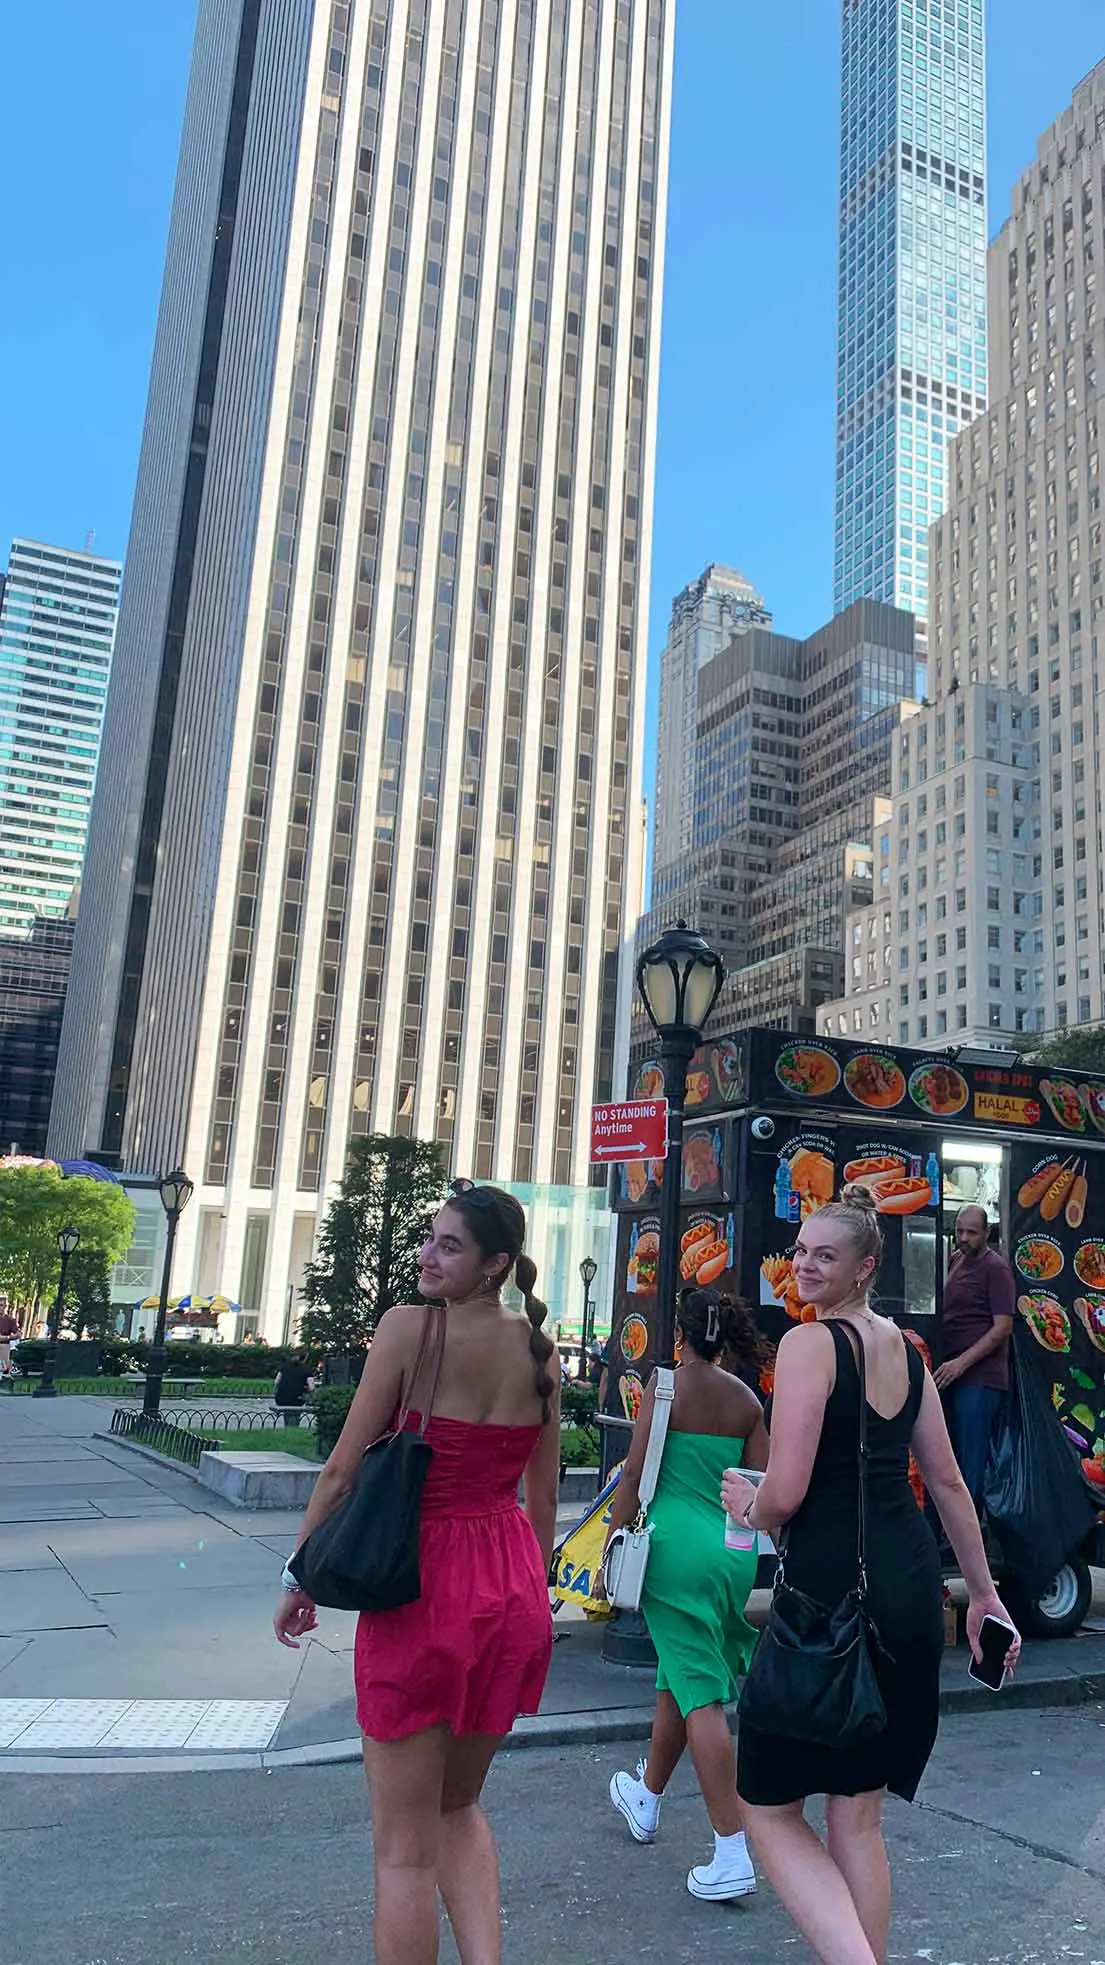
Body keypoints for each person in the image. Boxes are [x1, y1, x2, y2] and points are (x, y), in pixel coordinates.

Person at [722, 1184, 1020, 1965]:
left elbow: (784, 1493)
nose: (804, 1267)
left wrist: (748, 1504)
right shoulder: (907, 1350)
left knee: (765, 1805)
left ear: (862, 1268)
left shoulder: (808, 1345)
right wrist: (984, 1596)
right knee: (855, 1816)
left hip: (827, 1598)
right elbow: (948, 1483)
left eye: (824, 1255)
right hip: (909, 1591)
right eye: (799, 1252)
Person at [273, 1182, 559, 1965]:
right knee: (459, 1805)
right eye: (430, 1239)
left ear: (495, 1263)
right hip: (510, 1589)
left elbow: (339, 1473)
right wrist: (533, 1606)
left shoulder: (408, 1330)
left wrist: (300, 1574)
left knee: (402, 1849)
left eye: (449, 1245)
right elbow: (542, 1499)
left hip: (424, 1586)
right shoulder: (540, 1352)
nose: (428, 1256)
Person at [603, 1287, 769, 1902]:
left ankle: (731, 1848)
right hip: (731, 1555)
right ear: (726, 1338)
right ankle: (646, 1797)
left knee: (699, 1693)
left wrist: (612, 1541)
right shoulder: (748, 1401)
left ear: (681, 1333)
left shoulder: (665, 1389)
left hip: (671, 1550)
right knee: (684, 1674)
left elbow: (634, 1472)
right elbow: (761, 1487)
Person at [934, 1204, 1015, 1513]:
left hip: (980, 1380)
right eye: (959, 1231)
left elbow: (1002, 1328)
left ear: (987, 1233)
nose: (963, 1238)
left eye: (971, 1232)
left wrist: (961, 1364)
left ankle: (970, 1538)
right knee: (951, 1457)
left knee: (972, 1462)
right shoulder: (956, 1259)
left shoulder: (996, 1269)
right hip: (952, 1374)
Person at [273, 1347, 314, 1427]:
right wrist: (305, 1389)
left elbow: (277, 1381)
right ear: (305, 1358)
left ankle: (288, 1427)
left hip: (281, 1398)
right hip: (297, 1399)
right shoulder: (307, 1369)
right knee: (295, 1415)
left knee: (287, 1415)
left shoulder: (284, 1366)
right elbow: (312, 1387)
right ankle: (293, 1428)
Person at [0, 1304, 20, 1376]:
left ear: (5, 1307)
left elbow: (18, 1334)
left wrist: (7, 1337)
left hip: (3, 1346)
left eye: (1, 1305)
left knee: (2, 1368)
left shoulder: (9, 1320)